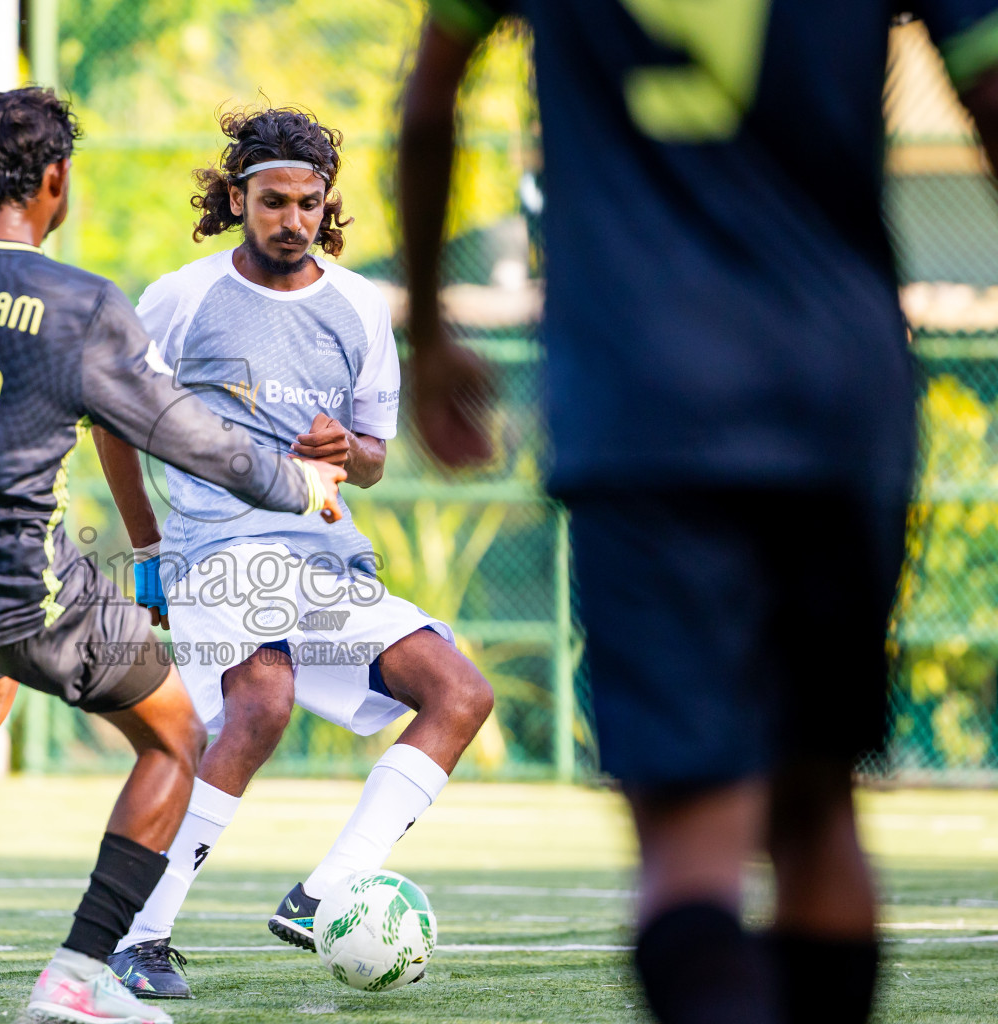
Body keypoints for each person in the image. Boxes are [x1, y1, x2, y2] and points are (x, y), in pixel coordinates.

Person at [399, 5, 998, 1024]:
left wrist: (428, 329)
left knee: (690, 844)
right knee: (819, 810)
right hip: (836, 392)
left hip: (645, 404)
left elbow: (429, 97)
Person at [0, 87, 344, 1024]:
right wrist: (299, 483)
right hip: (33, 590)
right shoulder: (77, 303)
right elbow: (188, 437)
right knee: (176, 738)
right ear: (56, 179)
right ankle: (79, 974)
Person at [95, 107, 495, 999]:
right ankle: (139, 936)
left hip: (322, 558)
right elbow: (112, 419)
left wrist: (347, 453)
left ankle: (324, 895)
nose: (292, 219)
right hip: (214, 548)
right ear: (237, 198)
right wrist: (149, 547)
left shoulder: (359, 307)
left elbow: (375, 460)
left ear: (326, 203)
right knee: (263, 698)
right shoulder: (184, 296)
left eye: (309, 203)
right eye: (273, 201)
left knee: (460, 692)